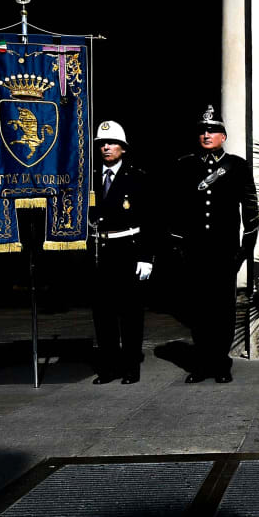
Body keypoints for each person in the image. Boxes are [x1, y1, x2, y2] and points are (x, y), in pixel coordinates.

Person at [169, 105, 258, 383]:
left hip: (225, 251)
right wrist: (178, 246)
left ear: (223, 136)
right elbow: (175, 208)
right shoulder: (186, 165)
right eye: (203, 131)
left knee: (222, 310)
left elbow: (251, 209)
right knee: (198, 309)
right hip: (195, 251)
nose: (207, 135)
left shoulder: (237, 166)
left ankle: (220, 363)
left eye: (213, 130)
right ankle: (201, 363)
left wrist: (245, 248)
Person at [89, 121, 153, 385]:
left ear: (123, 149)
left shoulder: (137, 178)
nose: (106, 147)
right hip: (98, 251)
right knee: (102, 313)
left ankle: (130, 367)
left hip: (128, 250)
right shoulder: (90, 178)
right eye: (102, 143)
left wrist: (146, 257)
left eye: (112, 143)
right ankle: (108, 366)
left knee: (129, 313)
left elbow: (150, 220)